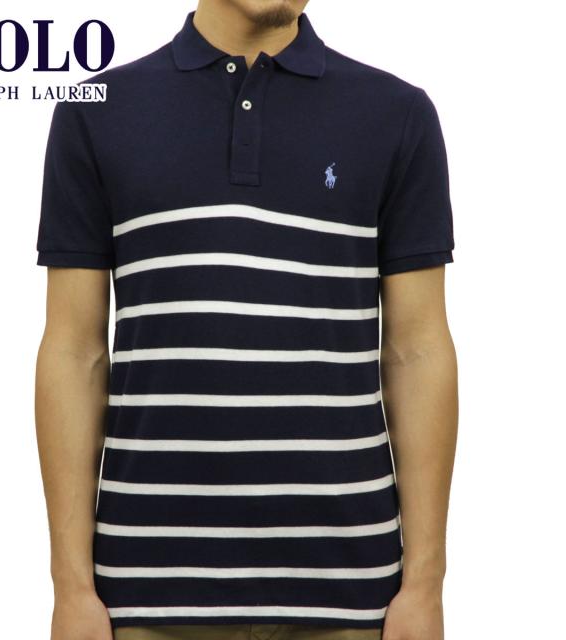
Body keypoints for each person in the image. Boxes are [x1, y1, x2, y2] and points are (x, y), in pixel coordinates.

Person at [34, 1, 459, 639]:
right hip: (146, 600)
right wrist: (70, 588)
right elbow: (74, 351)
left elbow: (418, 351)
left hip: (351, 600)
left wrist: (426, 583)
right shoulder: (96, 111)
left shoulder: (397, 115)